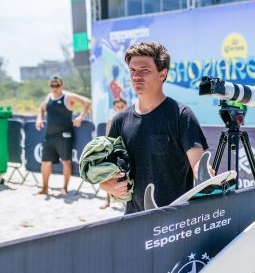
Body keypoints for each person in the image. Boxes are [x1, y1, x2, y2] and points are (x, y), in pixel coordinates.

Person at [100, 41, 209, 214]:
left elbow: (199, 166)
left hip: (175, 220)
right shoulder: (119, 120)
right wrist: (108, 185)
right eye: (132, 71)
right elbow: (105, 171)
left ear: (162, 74)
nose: (136, 76)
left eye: (145, 70)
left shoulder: (182, 115)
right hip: (134, 219)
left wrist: (207, 177)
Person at [35, 75, 92, 196]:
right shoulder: (48, 97)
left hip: (64, 135)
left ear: (62, 85)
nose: (54, 88)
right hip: (49, 135)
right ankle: (44, 188)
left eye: (57, 85)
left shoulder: (68, 96)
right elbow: (40, 108)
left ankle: (64, 188)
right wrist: (39, 119)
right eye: (52, 85)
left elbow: (87, 102)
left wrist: (80, 117)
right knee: (45, 162)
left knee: (66, 162)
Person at [100, 98, 129, 209]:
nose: (120, 108)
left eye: (122, 106)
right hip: (115, 148)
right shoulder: (112, 119)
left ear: (126, 105)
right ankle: (108, 201)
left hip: (127, 149)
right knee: (108, 172)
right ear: (114, 108)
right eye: (118, 107)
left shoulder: (131, 117)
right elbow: (108, 137)